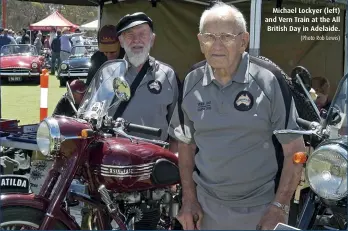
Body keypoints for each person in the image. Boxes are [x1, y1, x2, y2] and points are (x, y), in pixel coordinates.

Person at [168, 2, 305, 230]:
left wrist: (279, 207)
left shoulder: (269, 81)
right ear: (201, 42)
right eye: (210, 37)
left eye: (227, 37)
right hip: (206, 208)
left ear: (244, 41)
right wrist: (189, 200)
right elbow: (185, 146)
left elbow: (295, 151)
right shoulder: (191, 82)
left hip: (260, 209)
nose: (217, 45)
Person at [113, 12, 180, 150]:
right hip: (115, 160)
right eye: (130, 35)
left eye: (142, 34)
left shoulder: (167, 75)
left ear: (152, 39)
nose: (136, 40)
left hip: (154, 161)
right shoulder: (108, 74)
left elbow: (177, 129)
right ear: (121, 41)